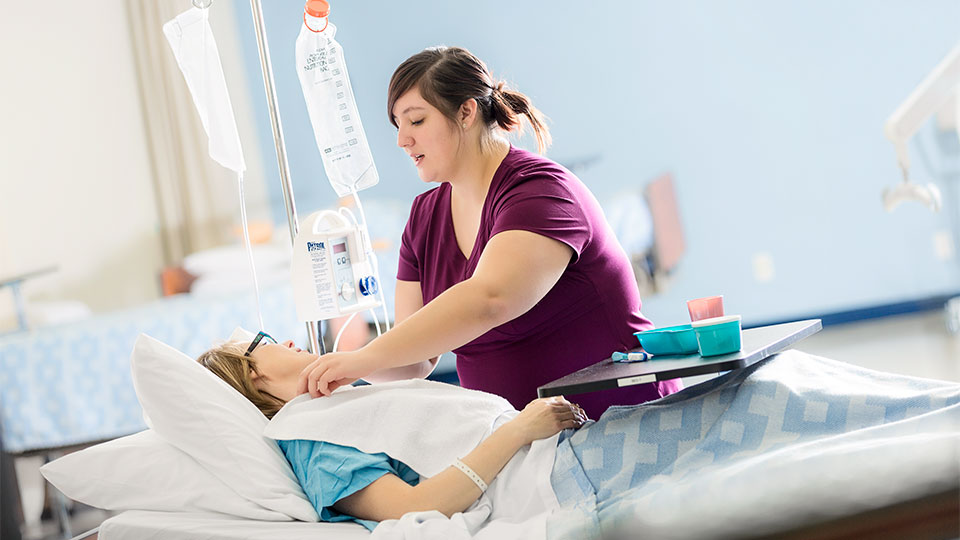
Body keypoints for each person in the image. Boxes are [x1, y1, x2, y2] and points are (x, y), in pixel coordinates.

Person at [197, 334, 960, 535]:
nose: (283, 341)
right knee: (771, 399)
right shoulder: (305, 443)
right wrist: (524, 424)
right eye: (264, 342)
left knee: (770, 390)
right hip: (564, 475)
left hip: (568, 453)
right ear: (253, 379)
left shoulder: (336, 403)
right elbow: (411, 507)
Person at [298, 46, 681, 419]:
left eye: (416, 121)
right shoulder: (424, 219)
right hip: (523, 450)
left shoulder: (540, 191)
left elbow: (490, 299)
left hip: (624, 422)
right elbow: (413, 359)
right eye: (398, 126)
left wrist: (361, 358)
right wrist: (334, 372)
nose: (402, 140)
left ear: (466, 111)